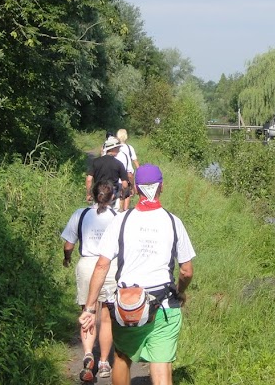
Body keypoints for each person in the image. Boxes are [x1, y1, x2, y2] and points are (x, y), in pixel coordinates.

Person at [79, 164, 196, 385]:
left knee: (122, 357)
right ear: (161, 187)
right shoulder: (173, 222)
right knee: (161, 363)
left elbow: (102, 266)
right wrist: (180, 292)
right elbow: (186, 270)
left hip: (128, 306)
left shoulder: (121, 220)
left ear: (134, 189)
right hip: (164, 305)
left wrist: (90, 307)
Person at [61, 181, 120, 382]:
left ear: (92, 195)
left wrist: (67, 258)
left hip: (87, 266)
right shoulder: (117, 218)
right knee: (106, 317)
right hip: (110, 266)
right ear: (113, 197)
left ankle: (87, 355)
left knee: (88, 312)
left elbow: (68, 245)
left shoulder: (80, 214)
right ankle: (104, 362)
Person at [86, 136, 129, 207]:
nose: (119, 150)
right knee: (111, 213)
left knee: (96, 210)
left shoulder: (96, 162)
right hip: (112, 193)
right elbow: (124, 184)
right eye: (118, 148)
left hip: (98, 191)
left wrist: (88, 194)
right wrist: (123, 195)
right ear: (113, 149)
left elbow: (89, 179)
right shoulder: (118, 164)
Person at [115, 129, 140, 212]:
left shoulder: (114, 148)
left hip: (114, 178)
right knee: (127, 195)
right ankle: (125, 213)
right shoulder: (129, 148)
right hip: (126, 178)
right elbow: (135, 163)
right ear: (126, 137)